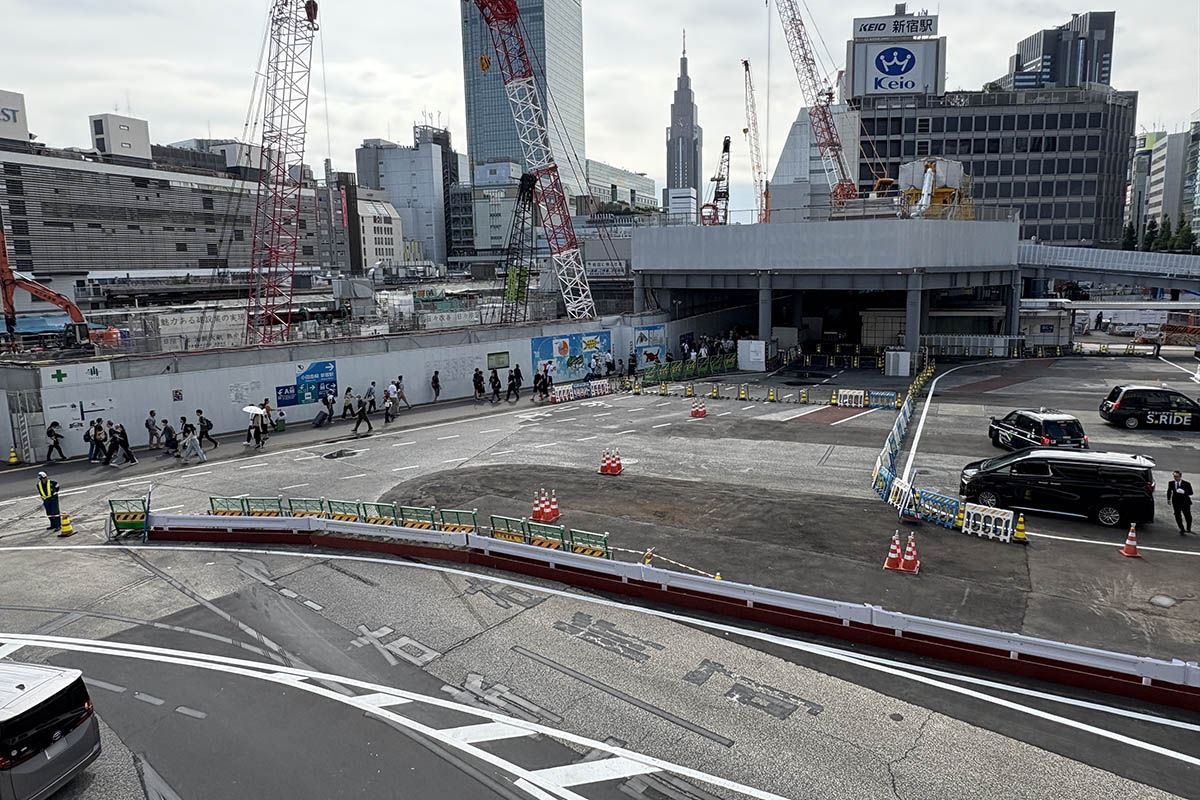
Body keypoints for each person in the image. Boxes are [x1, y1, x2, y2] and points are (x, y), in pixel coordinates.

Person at [36, 471, 66, 535]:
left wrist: (54, 493)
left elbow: (57, 487)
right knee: (49, 513)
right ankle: (53, 524)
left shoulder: (53, 483)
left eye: (43, 478)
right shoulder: (38, 485)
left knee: (55, 512)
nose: (43, 480)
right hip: (46, 500)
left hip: (53, 499)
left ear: (46, 477)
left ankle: (58, 525)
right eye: (41, 479)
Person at [1169, 470, 1193, 535]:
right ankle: (1181, 528)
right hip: (1176, 502)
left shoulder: (1186, 484)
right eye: (1174, 476)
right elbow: (1169, 491)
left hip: (1185, 502)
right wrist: (1168, 499)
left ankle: (1188, 528)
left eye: (1177, 476)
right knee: (1177, 515)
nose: (1175, 478)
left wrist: (1184, 492)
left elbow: (1191, 492)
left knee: (1187, 516)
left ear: (1180, 477)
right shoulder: (1171, 483)